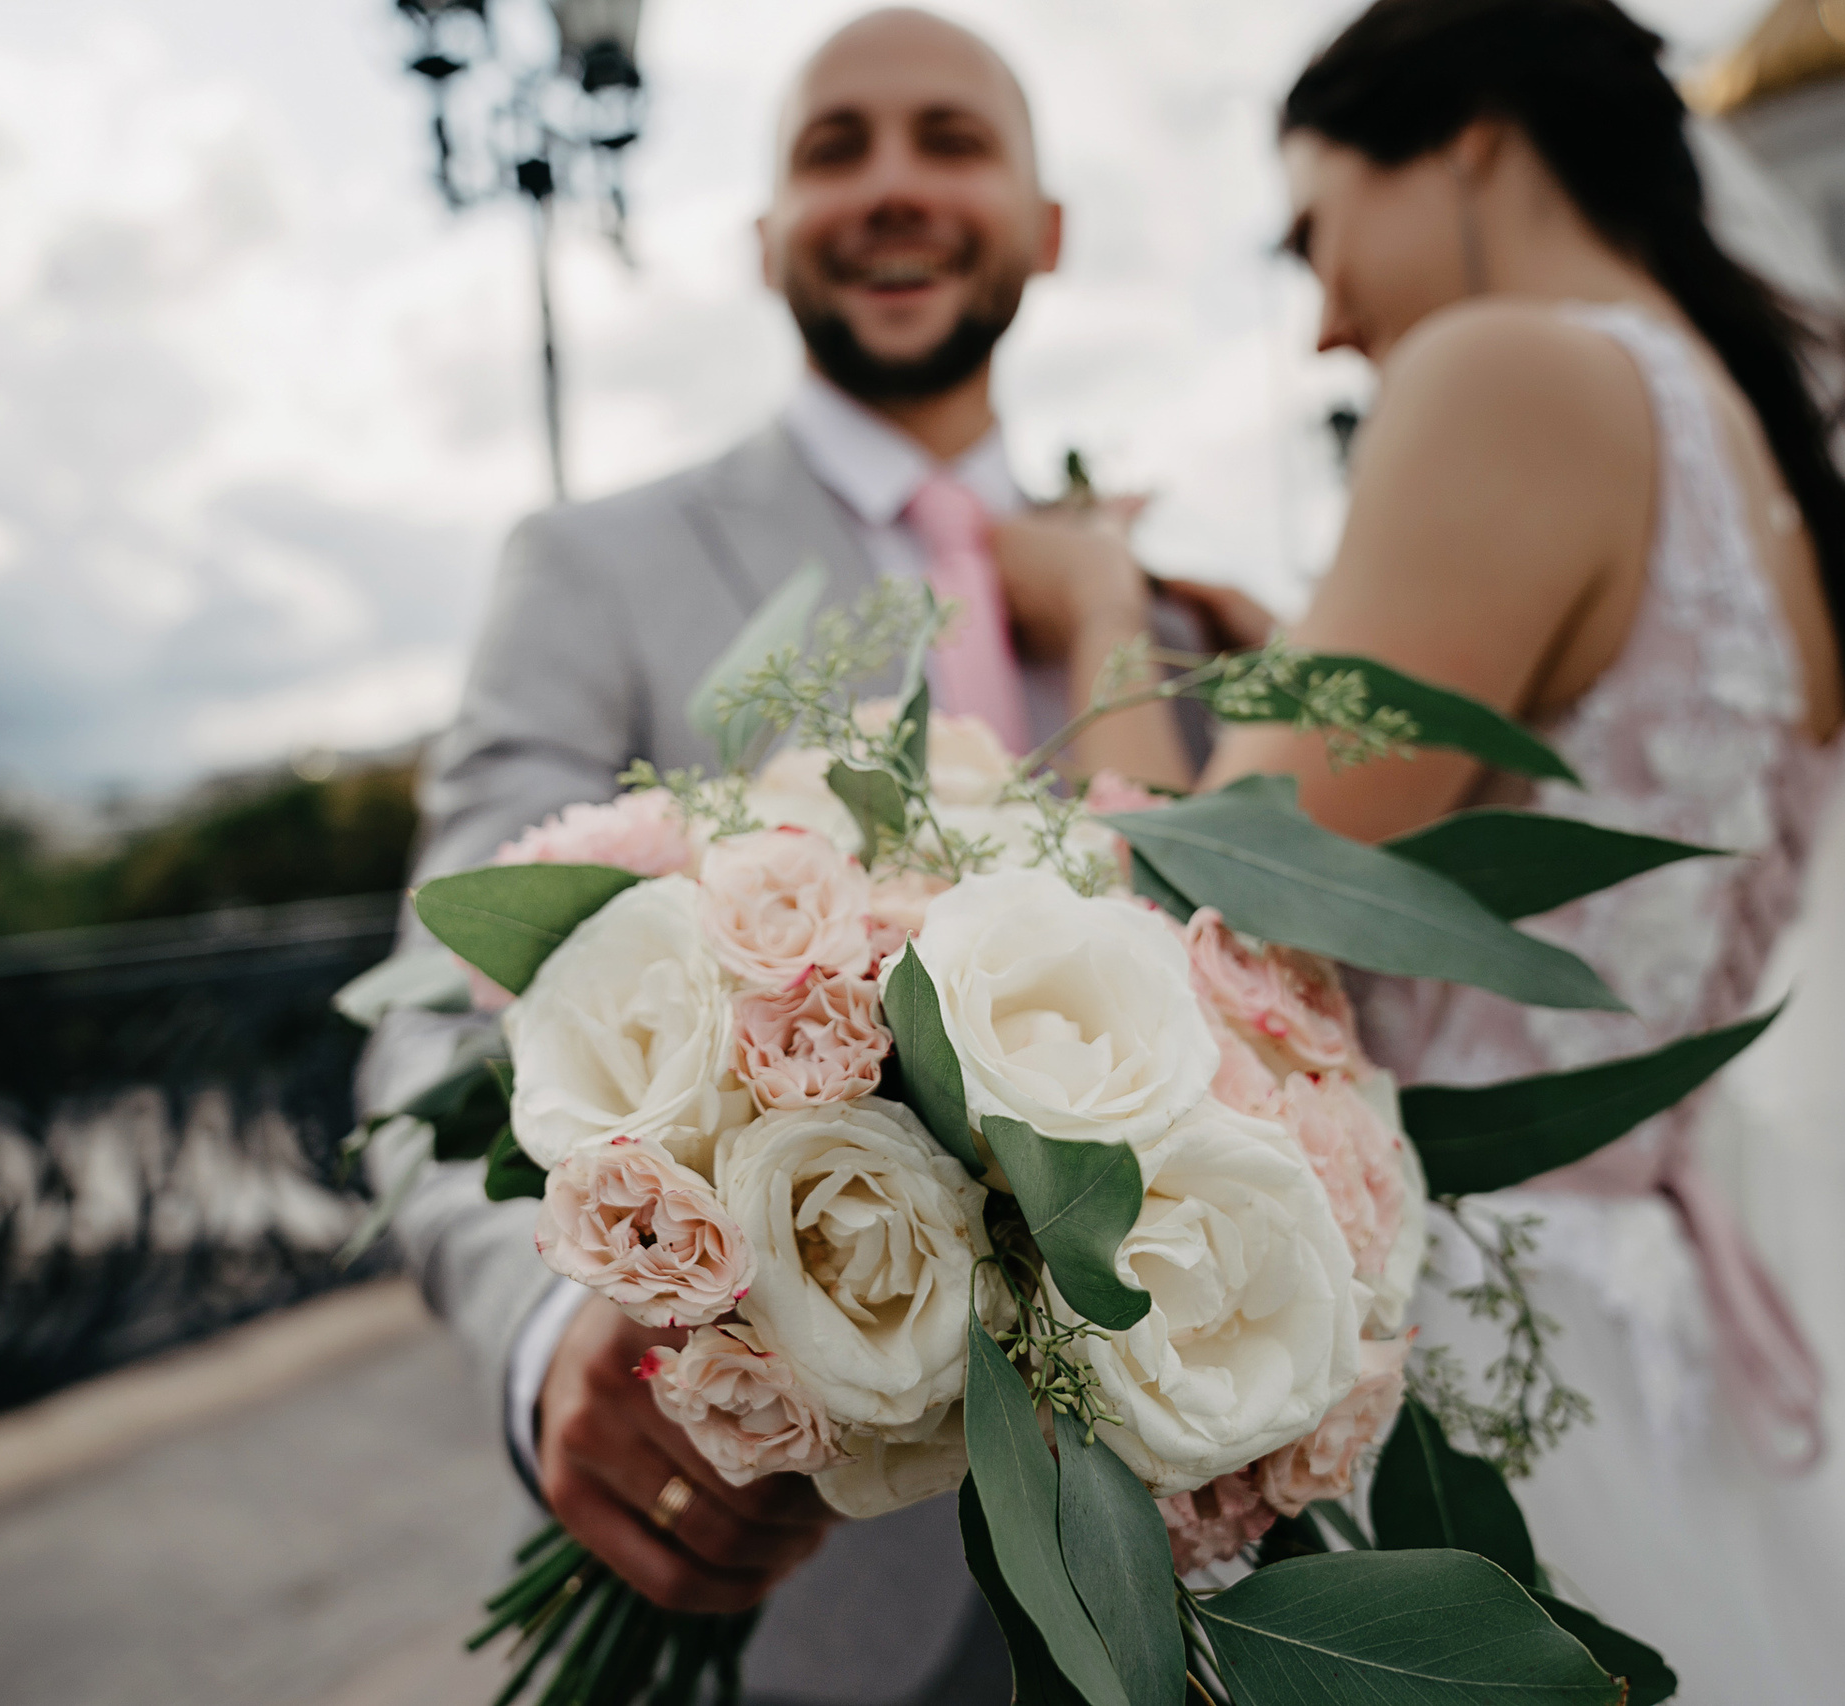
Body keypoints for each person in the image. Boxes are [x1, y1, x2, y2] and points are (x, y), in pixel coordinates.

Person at [996, 0, 1845, 1699]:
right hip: (1642, 1335)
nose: (1323, 321)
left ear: (1470, 143)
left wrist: (1098, 616)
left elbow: (1193, 899)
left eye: (1318, 232)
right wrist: (1298, 654)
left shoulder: (1514, 369)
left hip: (1464, 1356)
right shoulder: (1766, 469)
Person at [360, 11, 1215, 1700]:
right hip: (766, 1595)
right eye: (837, 150)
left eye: (951, 141)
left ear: (1049, 226)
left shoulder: (1169, 626)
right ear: (766, 240)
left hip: (1168, 1586)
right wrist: (554, 1343)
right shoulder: (593, 568)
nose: (893, 186)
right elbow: (432, 1018)